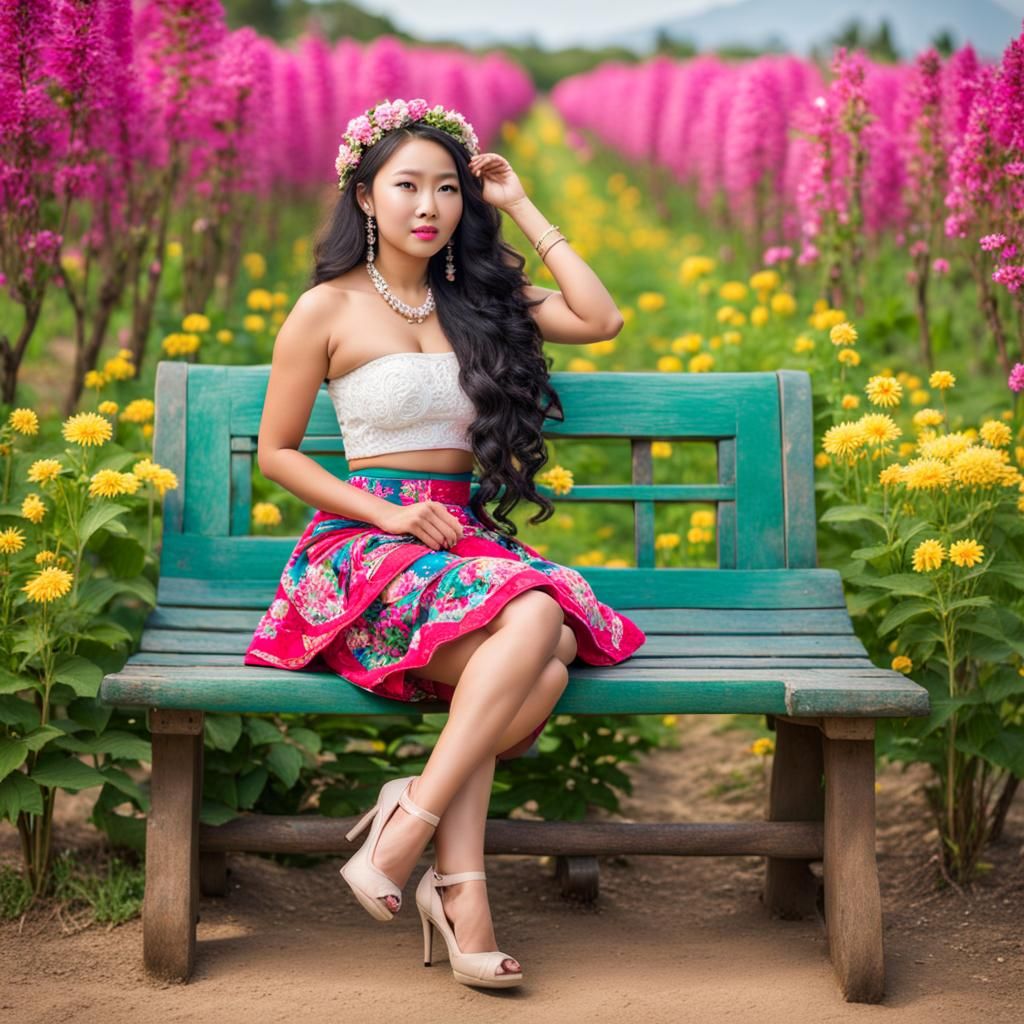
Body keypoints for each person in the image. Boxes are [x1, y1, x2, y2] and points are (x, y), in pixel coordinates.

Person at [243, 97, 647, 989]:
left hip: (457, 545)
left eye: (448, 188)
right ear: (364, 196)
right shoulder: (325, 308)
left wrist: (524, 204)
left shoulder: (480, 300)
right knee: (540, 644)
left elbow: (601, 317)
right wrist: (384, 514)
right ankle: (455, 888)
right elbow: (277, 453)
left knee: (535, 638)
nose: (429, 206)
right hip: (366, 545)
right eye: (407, 186)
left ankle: (414, 827)